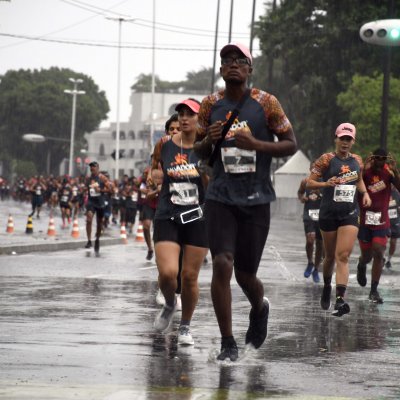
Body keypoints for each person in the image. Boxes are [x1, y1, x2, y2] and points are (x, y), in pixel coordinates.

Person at [195, 43, 297, 361]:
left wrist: (255, 144)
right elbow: (198, 150)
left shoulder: (266, 103)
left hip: (256, 198)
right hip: (221, 196)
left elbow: (291, 144)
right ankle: (227, 342)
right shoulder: (210, 104)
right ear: (222, 70)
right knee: (222, 264)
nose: (233, 65)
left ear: (249, 69)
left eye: (240, 61)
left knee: (245, 274)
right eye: (227, 61)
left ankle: (259, 306)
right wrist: (209, 139)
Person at [152, 98, 208, 346]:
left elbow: (215, 180)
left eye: (190, 114)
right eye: (181, 114)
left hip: (198, 218)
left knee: (188, 277)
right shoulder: (164, 144)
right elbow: (155, 167)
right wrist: (155, 177)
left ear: (199, 119)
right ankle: (170, 304)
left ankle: (185, 326)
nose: (184, 118)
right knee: (167, 274)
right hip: (168, 215)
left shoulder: (207, 148)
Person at [306, 123, 371, 317]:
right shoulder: (327, 159)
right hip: (328, 213)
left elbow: (358, 179)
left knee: (343, 255)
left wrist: (365, 193)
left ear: (353, 141)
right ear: (336, 139)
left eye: (348, 139)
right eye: (342, 138)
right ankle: (327, 285)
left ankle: (340, 299)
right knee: (329, 257)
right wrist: (326, 183)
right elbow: (309, 183)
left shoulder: (357, 161)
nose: (345, 142)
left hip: (349, 213)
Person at [356, 149, 400, 303]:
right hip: (365, 221)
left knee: (379, 252)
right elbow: (356, 187)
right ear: (373, 158)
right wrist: (363, 169)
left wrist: (395, 171)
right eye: (377, 158)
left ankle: (374, 290)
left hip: (382, 221)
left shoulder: (389, 175)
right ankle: (361, 264)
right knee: (367, 256)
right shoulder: (365, 173)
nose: (380, 161)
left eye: (383, 159)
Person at [297, 172, 323, 283]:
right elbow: (300, 193)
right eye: (313, 169)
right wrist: (302, 198)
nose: (315, 172)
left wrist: (321, 194)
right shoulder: (305, 182)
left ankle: (316, 269)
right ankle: (310, 262)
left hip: (322, 215)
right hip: (309, 215)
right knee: (310, 240)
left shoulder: (325, 182)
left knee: (320, 244)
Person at [84, 161, 113, 255]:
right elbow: (86, 189)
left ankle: (97, 239)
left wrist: (100, 190)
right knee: (89, 219)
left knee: (99, 224)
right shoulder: (88, 179)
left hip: (100, 202)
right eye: (91, 167)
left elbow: (110, 190)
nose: (92, 169)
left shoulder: (102, 178)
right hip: (91, 202)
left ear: (98, 168)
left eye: (94, 167)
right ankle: (89, 241)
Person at [386, 185, 400, 270]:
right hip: (383, 219)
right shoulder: (382, 191)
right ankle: (381, 257)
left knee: (393, 242)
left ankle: (389, 260)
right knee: (380, 242)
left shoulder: (397, 192)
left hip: (395, 220)